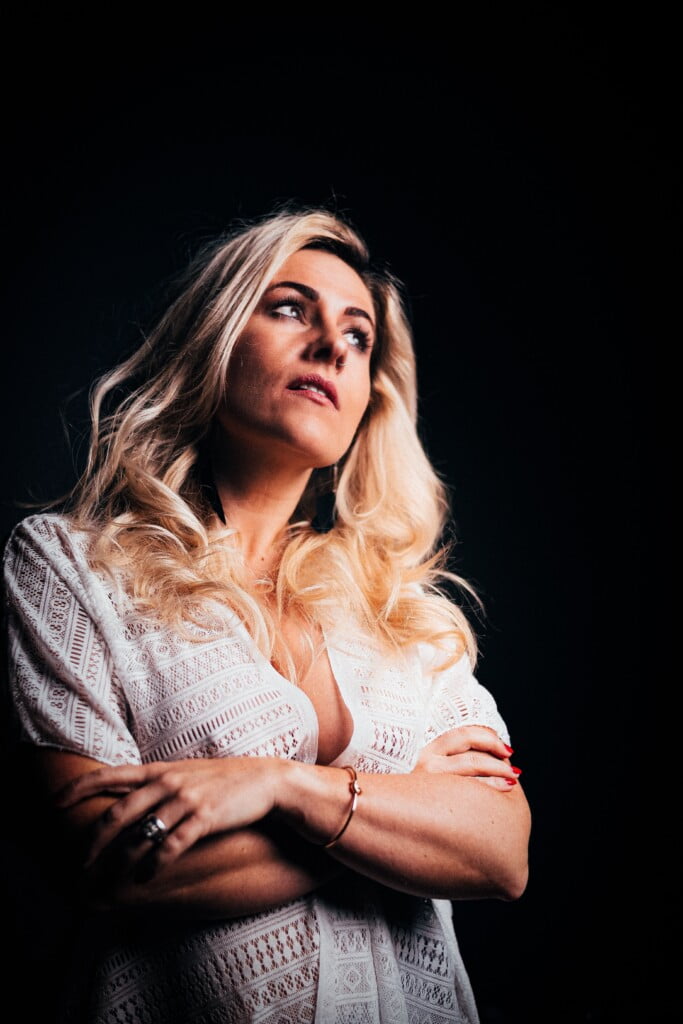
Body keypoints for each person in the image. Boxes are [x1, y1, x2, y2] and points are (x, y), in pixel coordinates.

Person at [2, 206, 531, 1023]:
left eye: (358, 337)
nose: (330, 347)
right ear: (214, 336)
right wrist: (400, 816)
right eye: (290, 309)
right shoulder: (74, 568)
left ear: (367, 398)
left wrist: (278, 787)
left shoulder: (399, 610)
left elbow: (498, 851)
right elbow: (106, 862)